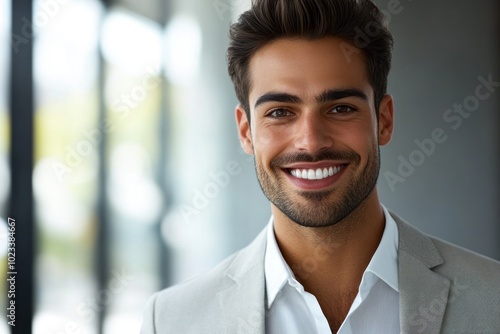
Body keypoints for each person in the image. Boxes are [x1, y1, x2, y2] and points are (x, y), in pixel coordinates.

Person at [141, 0, 500, 333]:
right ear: (246, 132)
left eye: (340, 108)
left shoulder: (492, 299)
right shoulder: (173, 320)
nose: (311, 142)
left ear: (384, 120)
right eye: (280, 112)